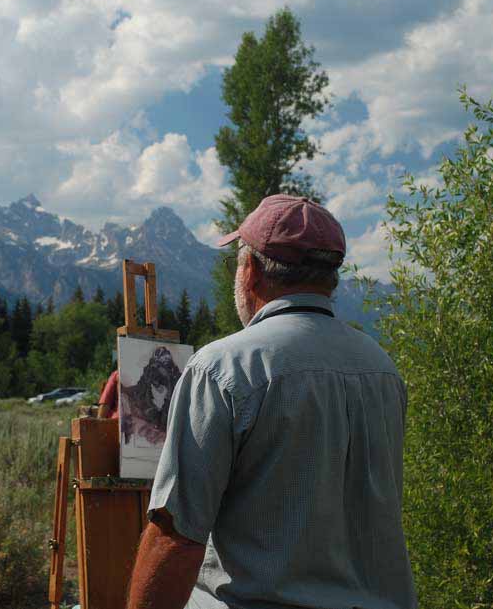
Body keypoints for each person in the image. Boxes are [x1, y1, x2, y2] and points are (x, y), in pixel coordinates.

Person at [127, 195, 417, 609]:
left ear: (252, 271)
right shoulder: (382, 368)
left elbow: (176, 533)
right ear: (329, 279)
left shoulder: (223, 367)